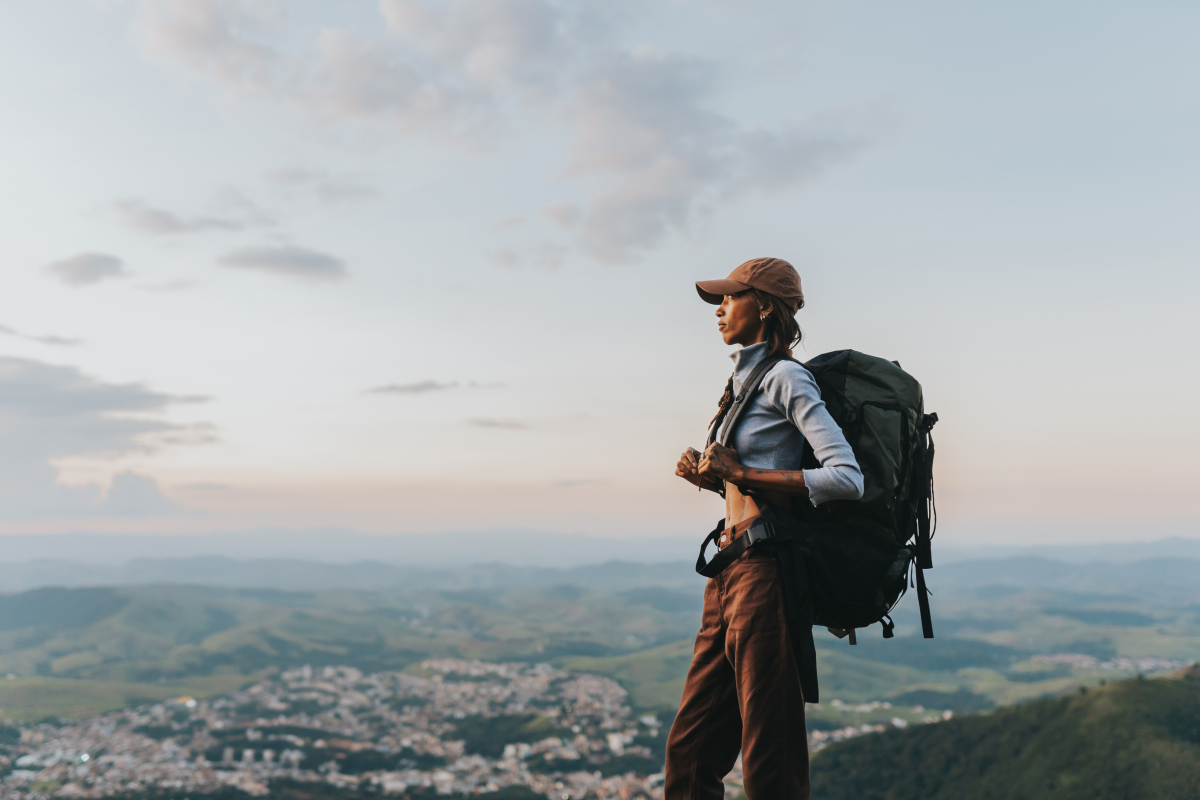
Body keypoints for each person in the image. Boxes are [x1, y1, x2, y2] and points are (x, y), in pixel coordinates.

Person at [663, 257, 865, 800]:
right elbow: (748, 487)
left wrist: (740, 471)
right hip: (728, 571)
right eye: (720, 300)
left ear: (766, 307)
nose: (720, 309)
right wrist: (710, 481)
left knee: (768, 751)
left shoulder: (785, 377)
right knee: (690, 750)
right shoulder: (740, 382)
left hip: (765, 573)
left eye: (731, 298)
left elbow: (847, 477)